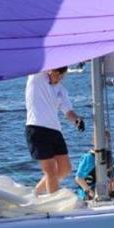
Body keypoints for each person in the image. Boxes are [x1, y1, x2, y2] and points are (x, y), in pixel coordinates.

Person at [25, 67, 84, 195]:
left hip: (55, 131)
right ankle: (54, 201)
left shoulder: (61, 90)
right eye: (57, 74)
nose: (59, 78)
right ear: (50, 71)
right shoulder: (36, 78)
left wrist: (77, 120)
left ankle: (36, 192)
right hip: (37, 129)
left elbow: (68, 111)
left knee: (65, 169)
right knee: (51, 170)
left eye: (62, 75)